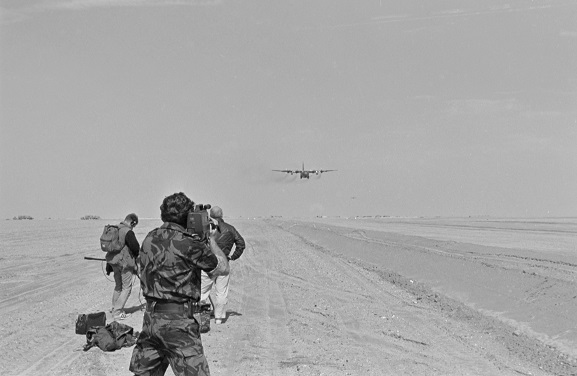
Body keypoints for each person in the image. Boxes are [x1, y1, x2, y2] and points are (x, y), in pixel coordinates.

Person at [130, 192, 229, 376]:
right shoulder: (189, 243)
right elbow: (222, 268)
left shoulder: (149, 238)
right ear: (188, 217)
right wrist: (210, 241)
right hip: (179, 323)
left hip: (151, 321)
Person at [200, 206, 245, 325]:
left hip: (207, 264)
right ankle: (219, 318)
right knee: (221, 292)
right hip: (223, 264)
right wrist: (231, 257)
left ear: (210, 215)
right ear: (222, 214)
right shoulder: (230, 229)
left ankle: (201, 316)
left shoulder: (206, 229)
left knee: (202, 292)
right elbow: (241, 244)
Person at [106, 213, 140, 321]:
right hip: (125, 264)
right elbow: (136, 247)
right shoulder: (127, 231)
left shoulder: (115, 229)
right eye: (134, 225)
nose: (133, 227)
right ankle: (117, 312)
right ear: (132, 222)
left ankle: (114, 308)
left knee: (118, 286)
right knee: (127, 288)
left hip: (113, 262)